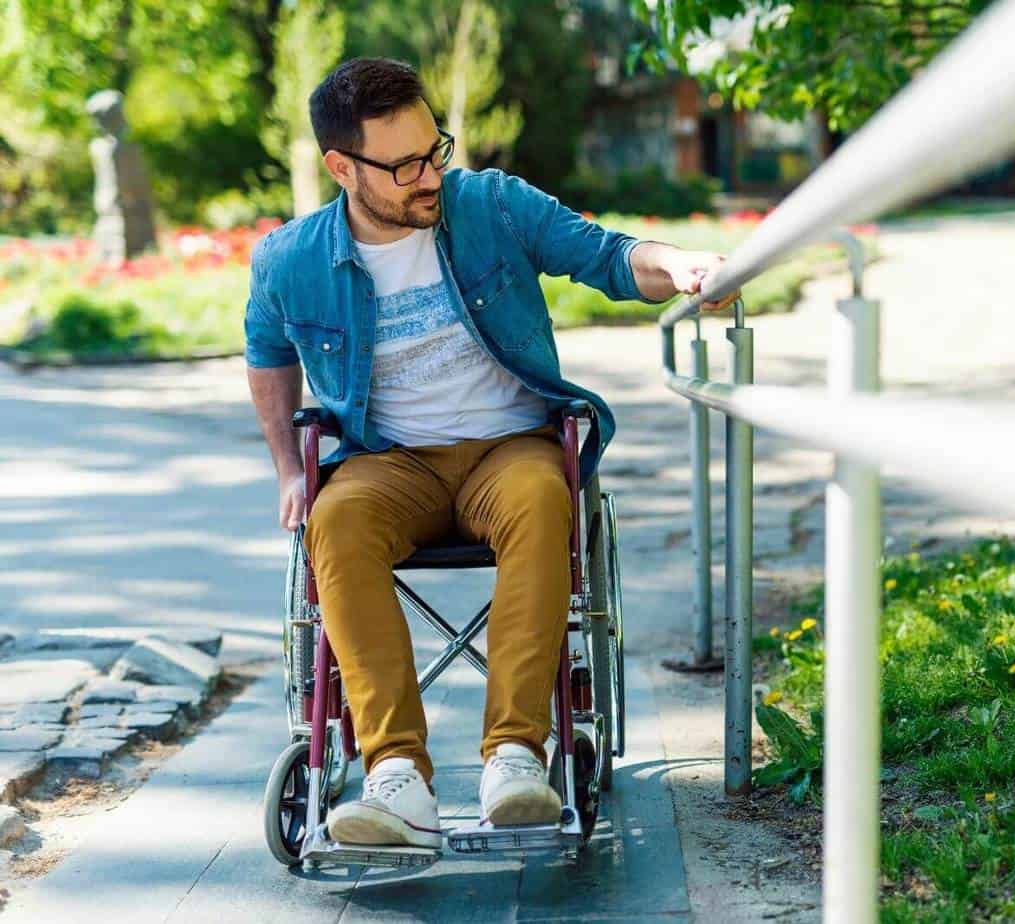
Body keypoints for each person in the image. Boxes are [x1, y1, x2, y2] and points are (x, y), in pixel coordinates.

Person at [244, 57, 738, 849]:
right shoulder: (290, 260)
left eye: (433, 150)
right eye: (402, 165)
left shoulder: (490, 206)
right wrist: (285, 468)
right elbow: (267, 353)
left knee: (547, 498)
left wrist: (678, 265)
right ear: (342, 167)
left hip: (509, 448)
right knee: (334, 525)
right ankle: (395, 777)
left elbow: (608, 255)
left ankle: (515, 755)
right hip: (389, 460)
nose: (427, 176)